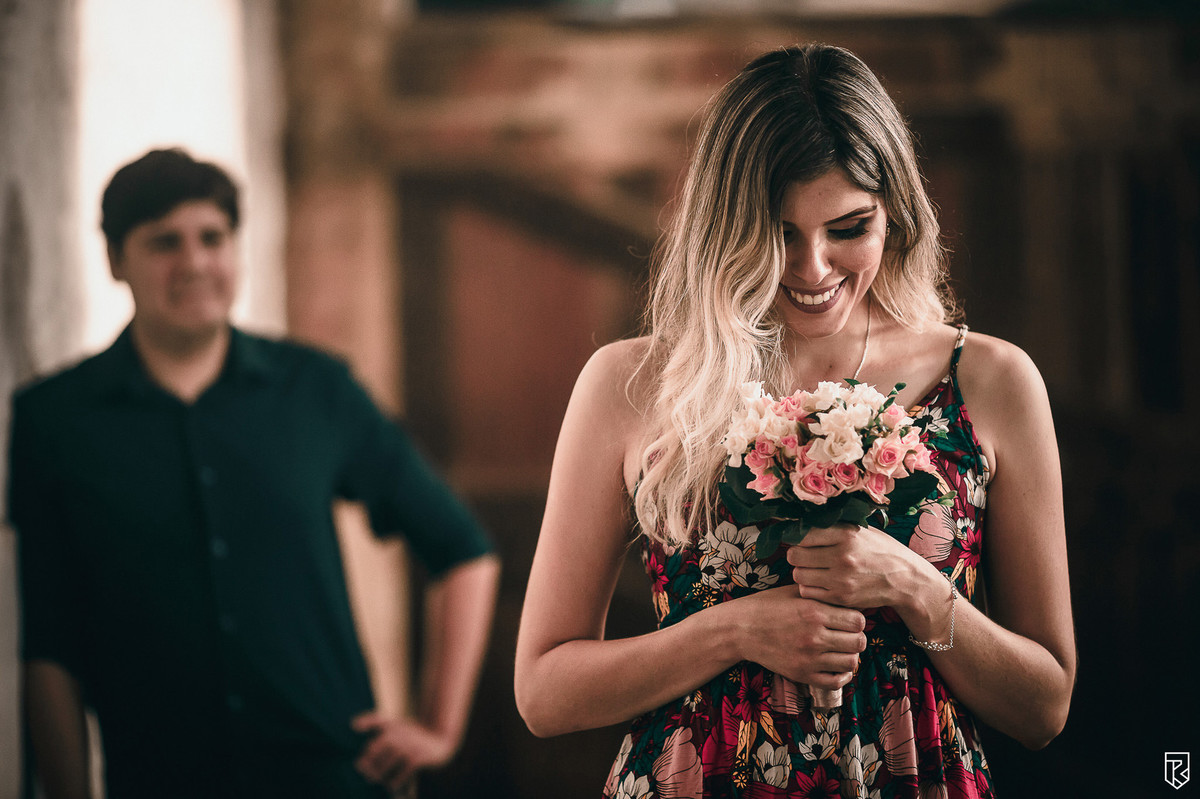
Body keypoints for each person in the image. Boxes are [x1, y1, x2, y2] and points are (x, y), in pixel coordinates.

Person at [514, 44, 1075, 798]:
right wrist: (735, 630)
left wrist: (913, 585)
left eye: (849, 227)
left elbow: (1044, 708)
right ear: (724, 229)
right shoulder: (631, 383)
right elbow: (544, 692)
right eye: (779, 233)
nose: (813, 268)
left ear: (896, 215)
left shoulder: (991, 380)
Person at [8, 148, 500, 799]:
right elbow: (50, 648)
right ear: (115, 260)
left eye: (212, 237)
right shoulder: (55, 421)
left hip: (332, 780)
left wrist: (440, 727)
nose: (194, 262)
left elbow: (462, 550)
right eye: (164, 242)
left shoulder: (317, 389)